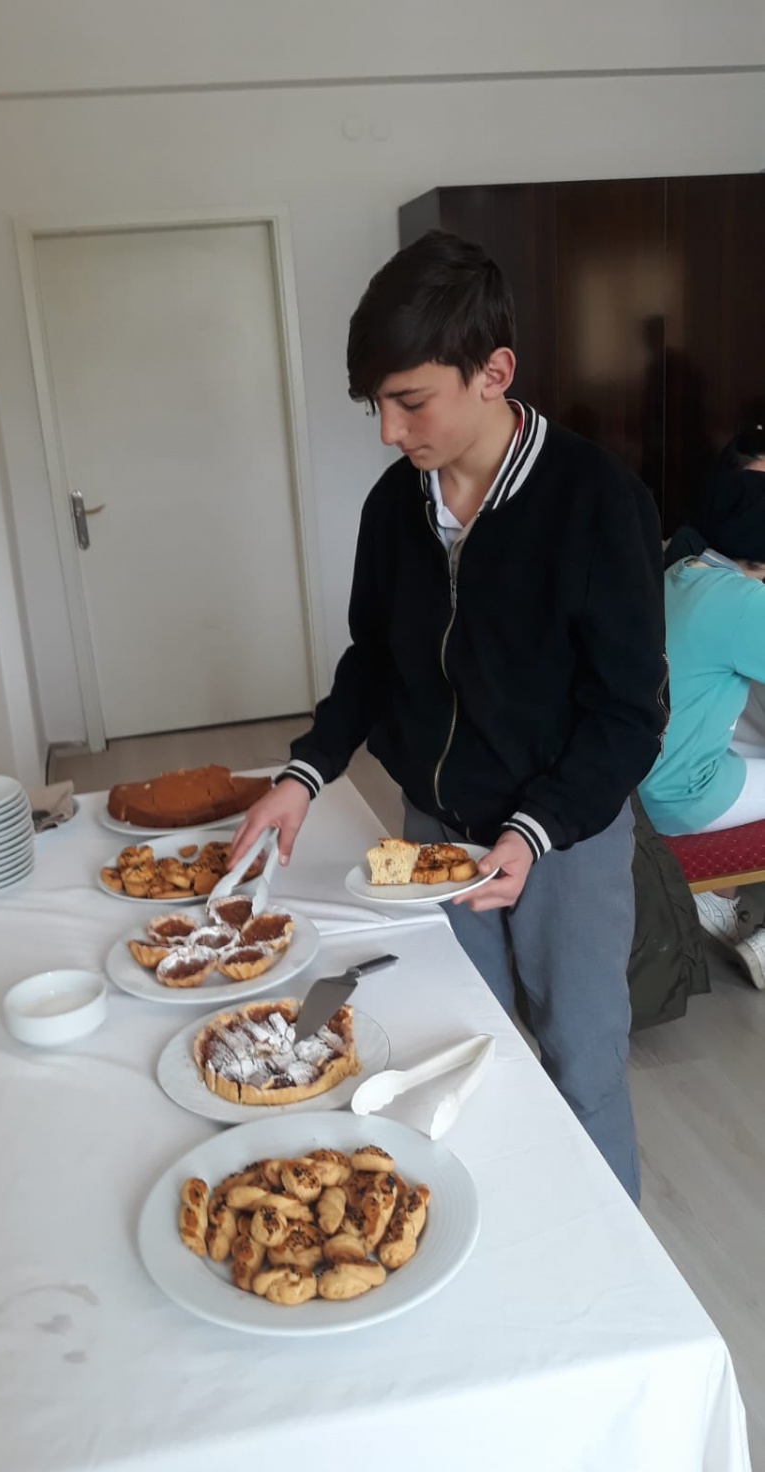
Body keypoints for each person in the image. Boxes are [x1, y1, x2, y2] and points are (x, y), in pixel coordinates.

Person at [231, 231, 668, 1205]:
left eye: (410, 401)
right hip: (432, 836)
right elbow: (373, 662)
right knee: (458, 1046)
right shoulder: (394, 508)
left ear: (493, 373)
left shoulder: (599, 503)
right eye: (376, 406)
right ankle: (494, 1229)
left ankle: (601, 1262)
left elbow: (629, 714)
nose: (389, 431)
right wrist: (305, 773)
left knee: (581, 1061)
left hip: (564, 839)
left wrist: (534, 829)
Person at [640, 425, 765, 987]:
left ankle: (717, 900)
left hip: (644, 775)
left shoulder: (682, 572)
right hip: (683, 794)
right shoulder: (743, 601)